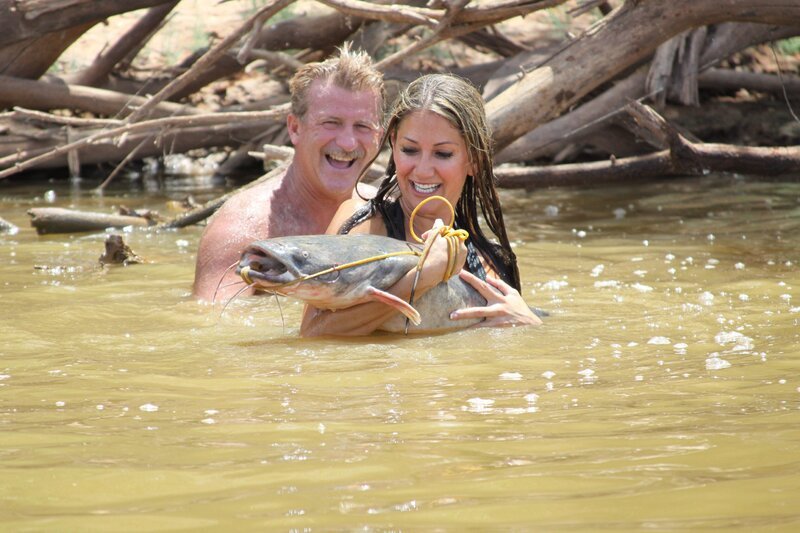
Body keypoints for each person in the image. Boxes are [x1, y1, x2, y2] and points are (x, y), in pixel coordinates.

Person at [300, 73, 542, 336]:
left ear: (474, 160)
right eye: (410, 150)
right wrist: (422, 277)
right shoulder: (364, 226)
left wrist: (529, 324)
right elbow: (312, 334)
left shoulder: (490, 265)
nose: (423, 170)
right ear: (393, 144)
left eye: (442, 154)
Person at [192, 44, 385, 301]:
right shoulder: (243, 229)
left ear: (379, 137)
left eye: (362, 126)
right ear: (294, 128)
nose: (348, 143)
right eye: (331, 123)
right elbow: (219, 329)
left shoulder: (389, 213)